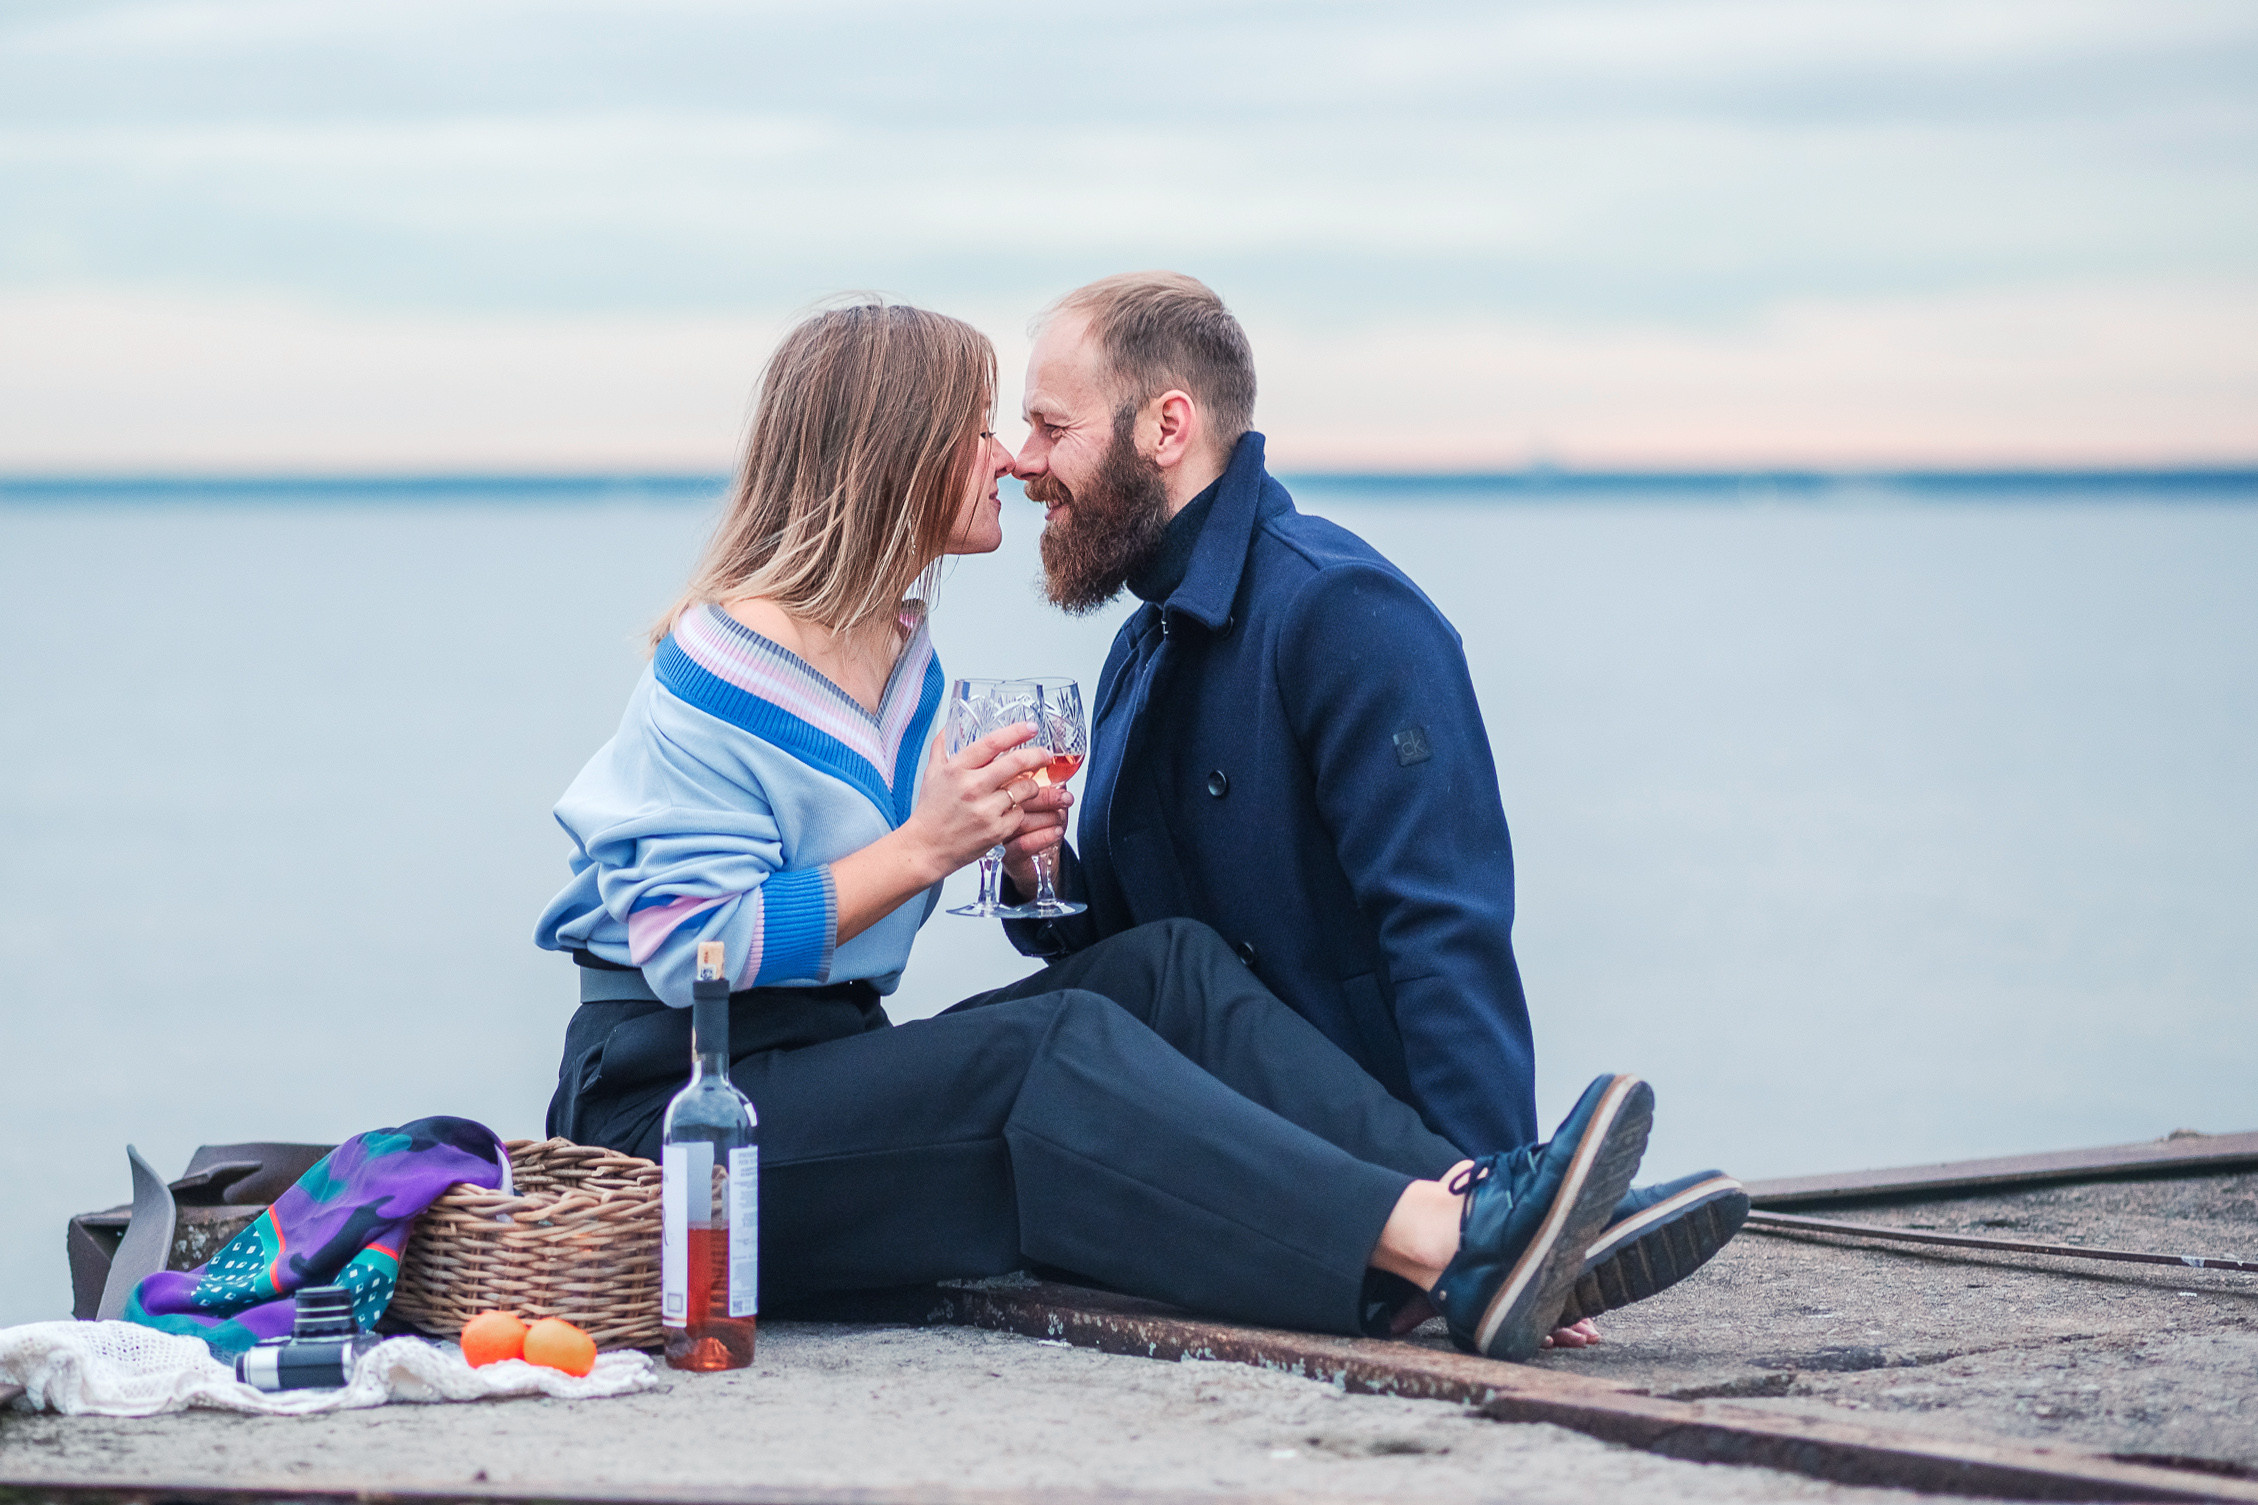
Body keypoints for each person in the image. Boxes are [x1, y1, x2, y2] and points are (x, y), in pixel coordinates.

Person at [533, 301, 1662, 1360]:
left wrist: (1021, 857)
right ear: (893, 454)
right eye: (978, 430)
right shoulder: (719, 663)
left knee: (1167, 970)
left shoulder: (903, 658)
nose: (1007, 459)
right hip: (679, 1122)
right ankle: (1437, 1245)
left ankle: (1496, 1207)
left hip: (822, 1067)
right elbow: (692, 948)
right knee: (1047, 1050)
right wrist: (926, 845)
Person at [1001, 272, 1747, 1328]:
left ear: (1166, 425)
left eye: (1048, 425)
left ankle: (1497, 1228)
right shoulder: (1140, 647)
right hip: (1209, 1160)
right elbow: (1140, 967)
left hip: (1360, 1176)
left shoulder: (1341, 610)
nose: (1022, 459)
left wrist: (1492, 1207)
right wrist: (1037, 873)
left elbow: (1443, 929)